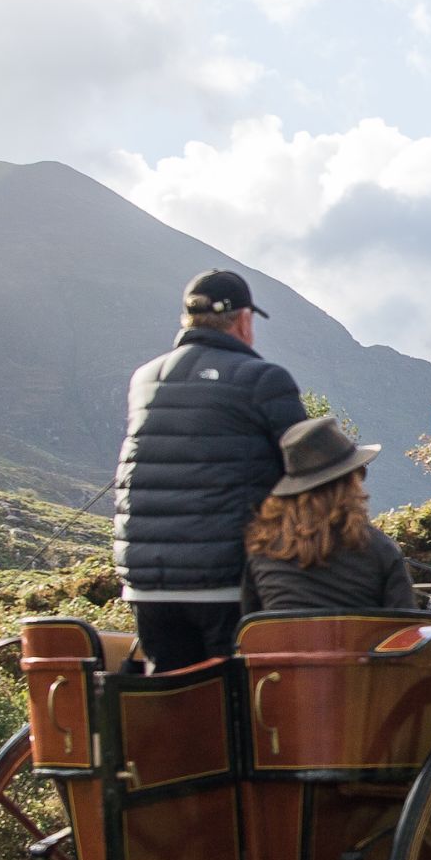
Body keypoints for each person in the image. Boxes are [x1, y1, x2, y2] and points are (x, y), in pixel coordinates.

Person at [113, 269, 308, 670]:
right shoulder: (263, 379)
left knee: (171, 695)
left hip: (147, 584)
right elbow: (309, 467)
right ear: (244, 320)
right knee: (238, 697)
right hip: (228, 582)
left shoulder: (145, 379)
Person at [242, 417, 418, 614]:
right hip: (357, 637)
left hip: (279, 637)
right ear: (350, 483)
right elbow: (405, 625)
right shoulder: (379, 549)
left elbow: (249, 623)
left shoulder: (262, 551)